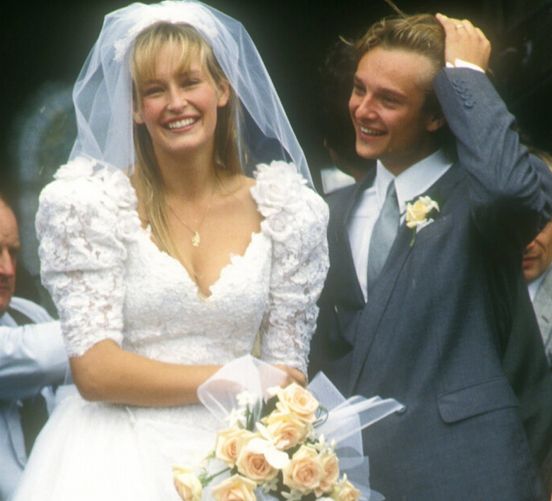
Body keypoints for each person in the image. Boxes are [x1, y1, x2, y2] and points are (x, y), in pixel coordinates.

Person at [12, 1, 328, 499]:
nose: (176, 102)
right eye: (155, 90)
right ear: (135, 108)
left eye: (190, 82)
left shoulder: (288, 211)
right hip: (113, 457)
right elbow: (95, 371)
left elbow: (287, 374)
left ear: (222, 89)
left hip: (241, 456)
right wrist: (232, 379)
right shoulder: (90, 206)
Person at [310, 11, 552, 500]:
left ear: (437, 115)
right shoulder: (331, 213)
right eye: (359, 89)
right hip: (359, 483)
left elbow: (512, 192)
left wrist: (469, 78)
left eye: (389, 100)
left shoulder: (482, 197)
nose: (363, 110)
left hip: (471, 476)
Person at [0, 192, 69, 500]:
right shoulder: (36, 337)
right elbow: (43, 358)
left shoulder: (26, 313)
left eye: (12, 253)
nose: (7, 270)